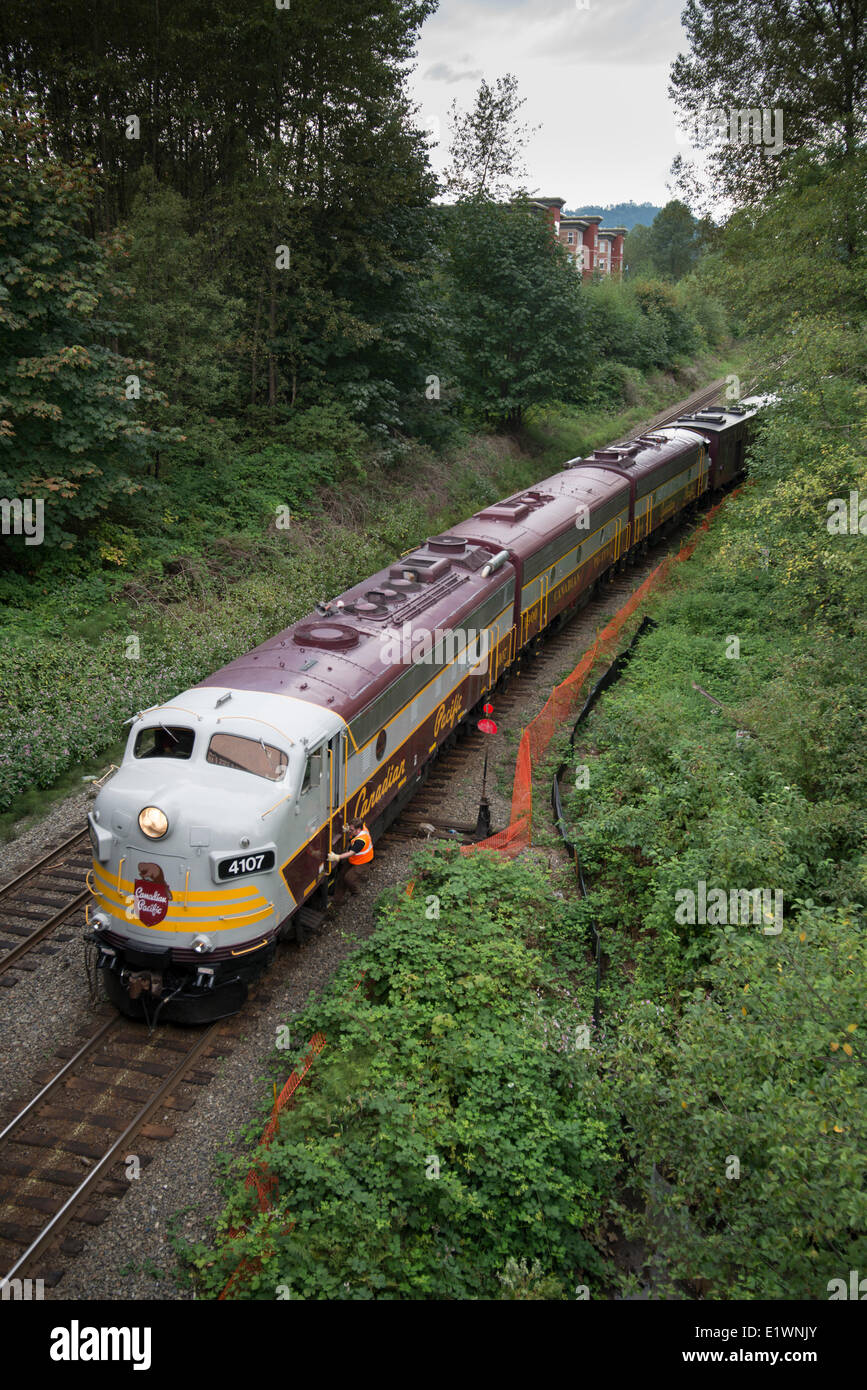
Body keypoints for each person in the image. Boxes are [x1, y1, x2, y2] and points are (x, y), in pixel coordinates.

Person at [328, 820, 374, 905]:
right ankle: (337, 899)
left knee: (349, 878)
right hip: (355, 859)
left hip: (363, 861)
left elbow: (350, 853)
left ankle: (356, 892)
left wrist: (337, 857)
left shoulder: (361, 841)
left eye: (351, 830)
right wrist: (348, 829)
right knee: (341, 875)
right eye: (350, 829)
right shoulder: (362, 827)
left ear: (358, 830)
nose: (350, 831)